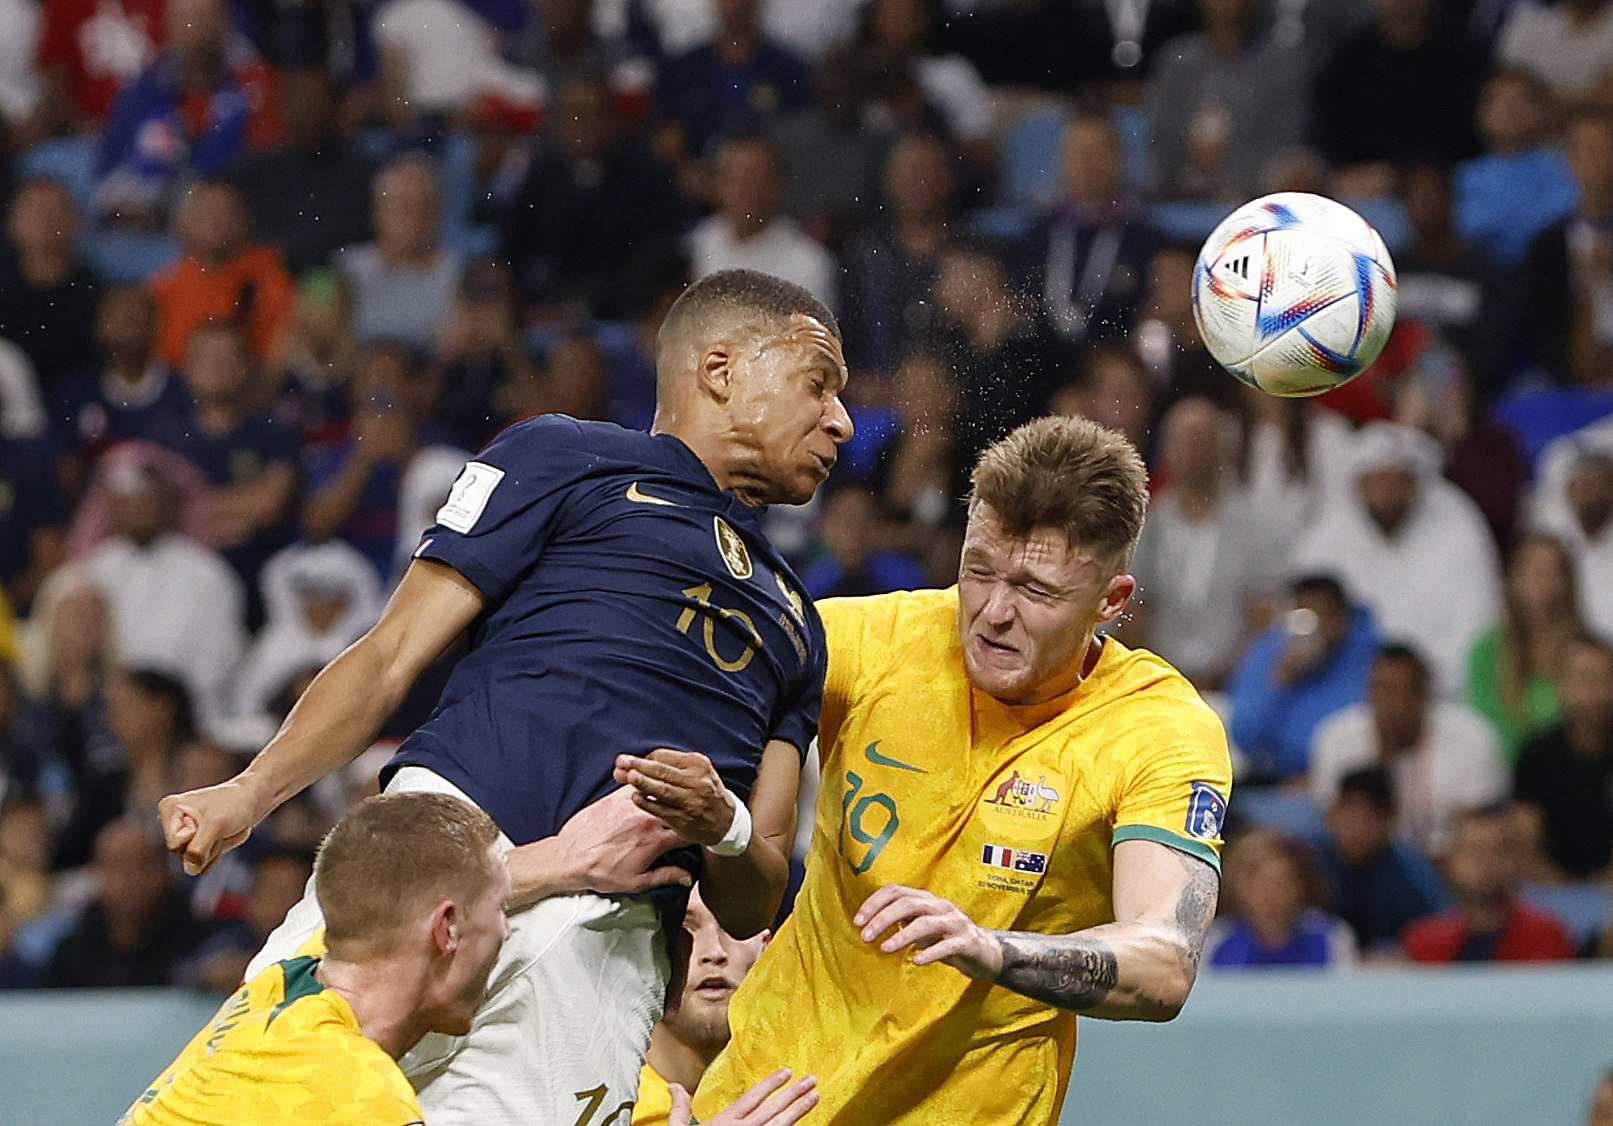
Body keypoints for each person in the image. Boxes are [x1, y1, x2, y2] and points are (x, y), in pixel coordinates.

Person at [158, 269, 852, 1124]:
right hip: (436, 861)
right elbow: (390, 654)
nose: (840, 422)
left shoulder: (797, 623)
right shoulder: (563, 457)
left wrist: (725, 825)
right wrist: (248, 792)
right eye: (817, 385)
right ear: (719, 369)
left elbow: (755, 890)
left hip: (606, 953)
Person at [691, 415, 1232, 1126]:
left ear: (1111, 601)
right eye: (978, 570)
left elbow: (1163, 962)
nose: (992, 613)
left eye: (1036, 592)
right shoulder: (869, 641)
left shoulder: (1157, 732)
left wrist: (990, 950)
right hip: (767, 1102)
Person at [123, 792, 819, 1126]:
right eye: (500, 923)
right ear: (448, 931)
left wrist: (562, 860)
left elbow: (399, 895)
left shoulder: (284, 986)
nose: (509, 941)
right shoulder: (351, 1100)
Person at [1308, 643, 1506, 857]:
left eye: (1401, 692)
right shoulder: (1337, 739)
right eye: (1380, 690)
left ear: (1424, 694)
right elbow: (1332, 823)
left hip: (1448, 866)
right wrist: (1383, 758)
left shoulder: (1471, 739)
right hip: (1366, 864)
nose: (1389, 703)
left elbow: (1484, 828)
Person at [634, 886, 770, 1126]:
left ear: (766, 947)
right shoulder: (589, 1100)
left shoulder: (817, 1089)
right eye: (685, 927)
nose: (715, 951)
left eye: (734, 926)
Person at [1228, 574, 1378, 784]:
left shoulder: (1373, 660)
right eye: (1300, 619)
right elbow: (1244, 737)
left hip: (1344, 784)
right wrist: (1279, 682)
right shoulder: (1269, 651)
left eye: (1317, 619)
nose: (1308, 631)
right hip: (1270, 782)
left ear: (1341, 619)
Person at [1401, 803, 1576, 964]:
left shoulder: (1546, 938)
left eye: (1500, 851)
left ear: (1518, 860)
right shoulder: (1421, 944)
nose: (1488, 862)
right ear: (1451, 860)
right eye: (1476, 851)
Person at [1312, 767, 1449, 954]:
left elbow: (1437, 932)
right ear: (1333, 815)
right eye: (1348, 817)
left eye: (1365, 820)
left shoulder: (1413, 877)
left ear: (1388, 819)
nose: (1355, 831)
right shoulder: (1311, 866)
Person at [1468, 535, 1582, 759]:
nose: (1544, 582)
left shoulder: (1583, 653)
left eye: (1554, 571)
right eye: (1535, 570)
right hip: (1501, 771)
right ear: (1514, 578)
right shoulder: (1485, 652)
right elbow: (1483, 727)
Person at [1513, 634, 1613, 881]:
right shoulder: (1536, 755)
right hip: (1553, 891)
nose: (1592, 692)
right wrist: (1569, 891)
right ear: (1561, 684)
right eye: (1582, 678)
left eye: (1603, 678)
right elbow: (1524, 846)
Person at [1204, 828, 1357, 970]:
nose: (1272, 896)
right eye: (1262, 886)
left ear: (1300, 887)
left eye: (1282, 884)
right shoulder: (1214, 942)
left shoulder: (1332, 938)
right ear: (1240, 889)